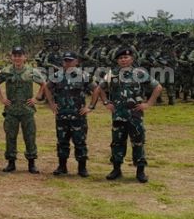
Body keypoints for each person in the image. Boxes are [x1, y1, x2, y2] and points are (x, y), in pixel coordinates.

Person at [90, 48, 162, 183]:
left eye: (126, 57)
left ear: (132, 59)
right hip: (118, 115)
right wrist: (106, 102)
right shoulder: (112, 74)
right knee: (117, 142)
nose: (123, 60)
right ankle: (116, 169)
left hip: (135, 115)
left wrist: (149, 103)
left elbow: (158, 87)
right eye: (120, 58)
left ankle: (140, 171)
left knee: (138, 142)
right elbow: (99, 88)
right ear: (117, 60)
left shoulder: (140, 73)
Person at [0, 46, 46, 173]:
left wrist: (36, 98)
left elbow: (44, 84)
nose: (17, 58)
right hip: (11, 110)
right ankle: (11, 162)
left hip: (27, 110)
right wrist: (2, 99)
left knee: (30, 136)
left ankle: (31, 163)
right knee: (10, 136)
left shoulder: (31, 71)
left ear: (24, 57)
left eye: (20, 55)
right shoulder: (6, 71)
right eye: (15, 55)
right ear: (11, 57)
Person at [44, 51, 93, 177]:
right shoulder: (57, 76)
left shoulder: (83, 75)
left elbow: (96, 89)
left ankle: (82, 168)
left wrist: (90, 106)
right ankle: (62, 166)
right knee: (62, 141)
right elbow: (47, 88)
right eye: (66, 60)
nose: (68, 63)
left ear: (76, 61)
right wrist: (51, 103)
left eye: (70, 60)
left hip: (78, 116)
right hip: (62, 115)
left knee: (80, 142)